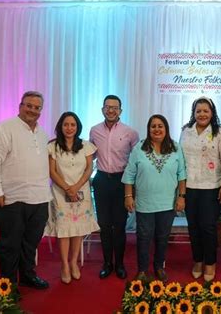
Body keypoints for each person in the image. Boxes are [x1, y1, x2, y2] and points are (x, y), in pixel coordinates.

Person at [0, 91, 51, 288]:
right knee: (10, 245)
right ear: (20, 106)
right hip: (11, 198)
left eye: (37, 107)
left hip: (39, 198)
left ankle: (28, 275)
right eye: (28, 105)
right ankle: (8, 284)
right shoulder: (5, 129)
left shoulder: (42, 133)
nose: (32, 110)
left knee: (31, 243)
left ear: (41, 111)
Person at [122, 114, 186, 282]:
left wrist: (181, 197)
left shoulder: (175, 148)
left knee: (162, 237)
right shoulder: (139, 148)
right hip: (145, 204)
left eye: (160, 126)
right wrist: (128, 196)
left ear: (166, 129)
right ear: (149, 129)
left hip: (167, 203)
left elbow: (181, 174)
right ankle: (142, 270)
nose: (157, 129)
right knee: (143, 237)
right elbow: (129, 174)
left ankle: (159, 267)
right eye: (153, 126)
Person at [180, 96, 221, 282]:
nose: (202, 114)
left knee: (208, 228)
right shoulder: (186, 131)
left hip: (212, 187)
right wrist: (181, 191)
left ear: (212, 113)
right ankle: (198, 260)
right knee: (193, 227)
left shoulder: (220, 133)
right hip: (190, 187)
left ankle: (210, 263)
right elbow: (180, 162)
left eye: (206, 111)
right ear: (194, 113)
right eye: (198, 111)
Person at [44, 112, 100, 284]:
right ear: (60, 127)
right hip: (61, 194)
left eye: (73, 125)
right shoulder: (53, 147)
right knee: (64, 230)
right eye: (66, 124)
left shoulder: (86, 146)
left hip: (81, 193)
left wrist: (76, 187)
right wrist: (67, 188)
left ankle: (74, 262)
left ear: (78, 127)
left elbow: (89, 169)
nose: (69, 128)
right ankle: (64, 266)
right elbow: (52, 171)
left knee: (78, 230)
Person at [90, 95, 139, 279]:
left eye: (115, 107)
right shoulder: (94, 131)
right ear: (103, 109)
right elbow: (90, 156)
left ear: (121, 110)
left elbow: (136, 160)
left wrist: (133, 187)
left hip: (121, 182)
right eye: (108, 107)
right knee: (104, 225)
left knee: (119, 226)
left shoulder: (130, 132)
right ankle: (106, 263)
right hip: (101, 180)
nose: (111, 110)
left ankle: (119, 263)